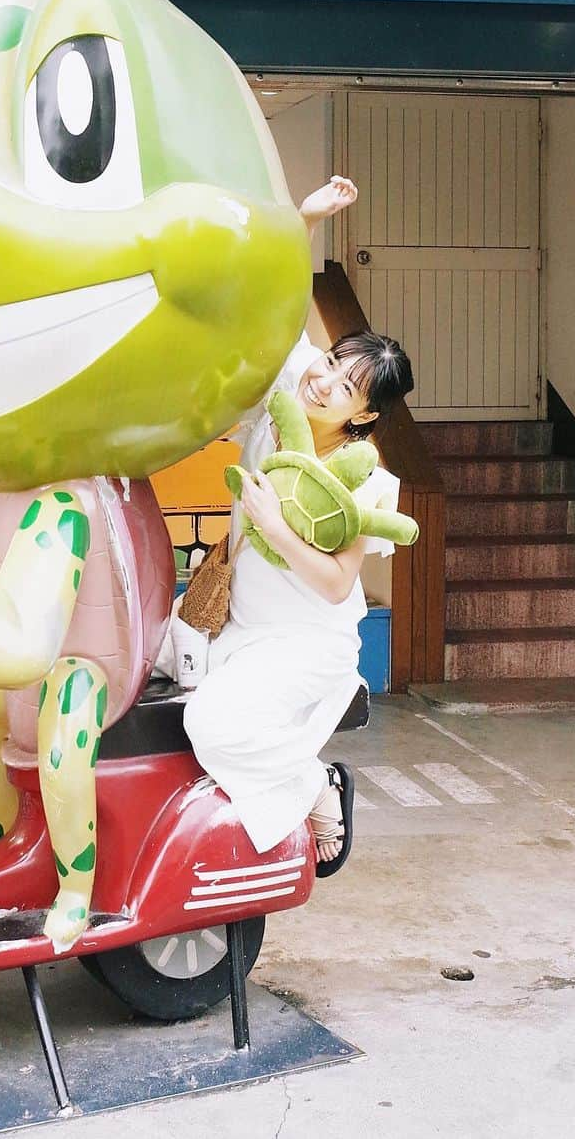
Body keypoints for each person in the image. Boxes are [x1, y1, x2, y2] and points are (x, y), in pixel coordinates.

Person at [180, 177, 415, 870]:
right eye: (336, 360)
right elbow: (276, 300)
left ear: (364, 415)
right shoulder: (291, 384)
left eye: (346, 385)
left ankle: (315, 784)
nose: (325, 379)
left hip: (305, 643)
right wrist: (308, 218)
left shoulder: (370, 480)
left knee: (209, 727)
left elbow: (341, 583)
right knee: (164, 710)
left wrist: (274, 527)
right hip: (234, 624)